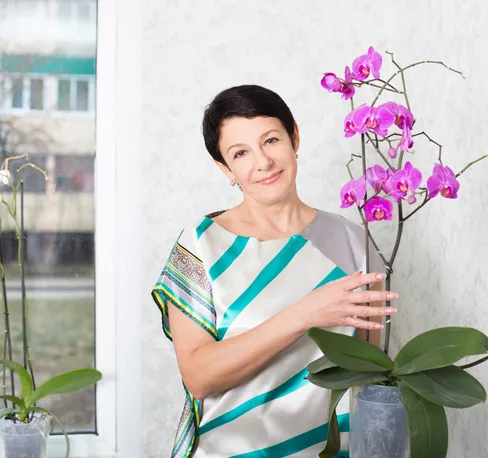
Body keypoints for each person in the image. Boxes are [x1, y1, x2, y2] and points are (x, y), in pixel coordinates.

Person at [151, 85, 398, 458]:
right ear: (225, 168)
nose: (262, 162)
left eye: (270, 140)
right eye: (241, 153)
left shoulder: (353, 243)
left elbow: (365, 374)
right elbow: (198, 378)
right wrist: (305, 314)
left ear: (294, 136)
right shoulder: (201, 246)